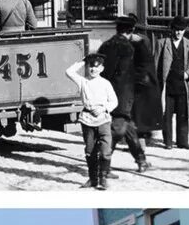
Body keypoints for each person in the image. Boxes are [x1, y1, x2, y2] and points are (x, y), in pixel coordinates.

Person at [96, 15, 149, 172]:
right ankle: (103, 168)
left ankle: (141, 160)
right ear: (130, 31)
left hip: (106, 94)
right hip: (123, 96)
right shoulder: (129, 48)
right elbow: (133, 74)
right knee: (117, 130)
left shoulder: (105, 46)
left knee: (127, 128)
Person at [66, 50, 118, 189]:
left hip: (103, 120)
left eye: (96, 66)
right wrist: (83, 61)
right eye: (90, 66)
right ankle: (93, 179)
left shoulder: (105, 83)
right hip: (87, 120)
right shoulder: (83, 81)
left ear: (102, 68)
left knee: (106, 149)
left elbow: (114, 101)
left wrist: (103, 108)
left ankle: (104, 178)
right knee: (90, 150)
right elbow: (69, 72)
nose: (93, 69)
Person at [154, 19, 189, 149]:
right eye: (176, 30)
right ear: (172, 29)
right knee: (166, 114)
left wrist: (188, 74)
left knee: (183, 114)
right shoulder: (162, 43)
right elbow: (155, 64)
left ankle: (182, 141)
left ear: (185, 30)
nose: (178, 32)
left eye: (181, 30)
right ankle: (167, 142)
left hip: (183, 85)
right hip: (168, 85)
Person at [128, 22, 162, 139]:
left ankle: (140, 137)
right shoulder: (143, 41)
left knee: (138, 111)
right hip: (143, 81)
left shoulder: (139, 42)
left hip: (140, 82)